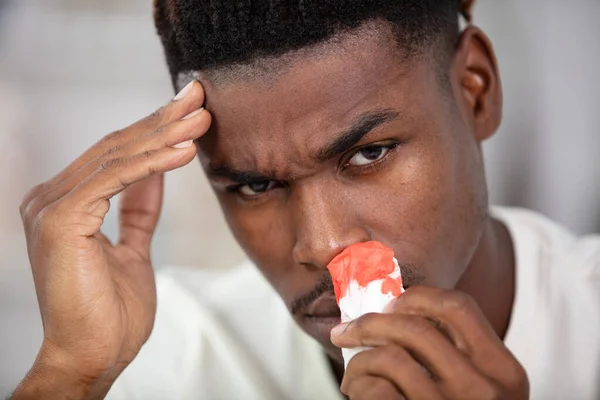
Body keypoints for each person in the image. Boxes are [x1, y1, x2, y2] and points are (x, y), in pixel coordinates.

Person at [10, 0, 600, 399]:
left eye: (370, 154)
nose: (321, 247)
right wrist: (70, 372)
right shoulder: (167, 359)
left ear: (475, 90)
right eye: (255, 186)